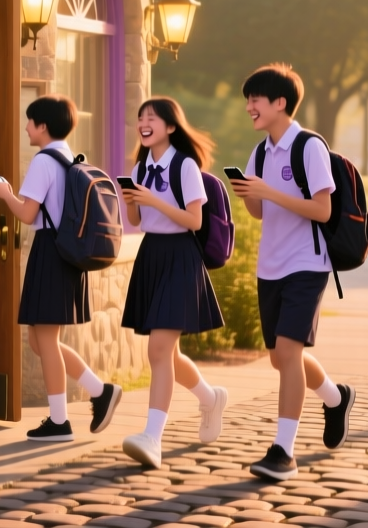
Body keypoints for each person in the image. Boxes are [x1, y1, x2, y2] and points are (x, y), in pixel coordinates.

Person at [228, 63, 355, 481]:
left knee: (287, 353)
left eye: (256, 99)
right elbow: (261, 212)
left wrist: (269, 190)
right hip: (271, 266)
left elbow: (323, 209)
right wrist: (250, 193)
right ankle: (336, 398)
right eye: (248, 99)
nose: (249, 106)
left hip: (307, 264)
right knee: (283, 358)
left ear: (280, 103)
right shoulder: (262, 151)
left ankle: (283, 451)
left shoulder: (308, 147)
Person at [0, 94, 123, 442]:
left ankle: (60, 421)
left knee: (44, 341)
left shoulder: (43, 162)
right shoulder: (69, 157)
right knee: (39, 339)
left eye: (30, 121)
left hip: (50, 249)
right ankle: (99, 390)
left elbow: (27, 214)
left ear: (43, 126)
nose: (26, 127)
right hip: (66, 251)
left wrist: (4, 193)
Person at [118, 96, 228, 469]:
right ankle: (210, 398)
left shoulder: (185, 167)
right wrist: (131, 198)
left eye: (152, 118)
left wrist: (153, 199)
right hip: (152, 255)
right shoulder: (140, 166)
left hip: (180, 255)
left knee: (159, 352)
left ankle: (152, 437)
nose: (144, 123)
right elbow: (135, 220)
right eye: (140, 118)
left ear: (170, 126)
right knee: (169, 353)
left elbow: (195, 221)